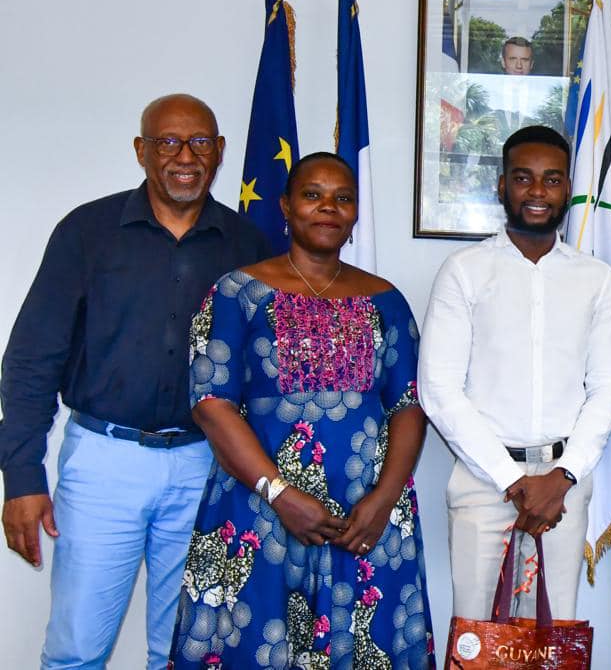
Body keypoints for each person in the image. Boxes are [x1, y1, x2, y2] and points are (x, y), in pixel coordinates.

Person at [0, 94, 271, 669]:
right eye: (167, 142)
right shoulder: (87, 232)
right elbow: (31, 359)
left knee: (184, 652)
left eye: (200, 142)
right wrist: (21, 477)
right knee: (76, 651)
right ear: (141, 150)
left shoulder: (248, 245)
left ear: (220, 151)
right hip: (104, 463)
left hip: (205, 466)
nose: (185, 156)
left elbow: (266, 374)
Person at [167, 152, 435, 669]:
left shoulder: (387, 301)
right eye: (313, 195)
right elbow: (211, 405)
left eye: (342, 198)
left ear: (355, 213)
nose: (328, 208)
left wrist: (384, 500)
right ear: (286, 207)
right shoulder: (235, 293)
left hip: (367, 518)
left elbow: (409, 405)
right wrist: (281, 495)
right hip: (259, 509)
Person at [419, 125, 611, 619]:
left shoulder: (595, 279)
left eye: (551, 179)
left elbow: (608, 388)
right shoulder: (464, 270)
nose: (537, 191)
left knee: (551, 637)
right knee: (477, 637)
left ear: (567, 188)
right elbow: (439, 389)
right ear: (502, 186)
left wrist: (563, 475)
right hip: (484, 482)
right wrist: (512, 480)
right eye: (523, 178)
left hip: (563, 486)